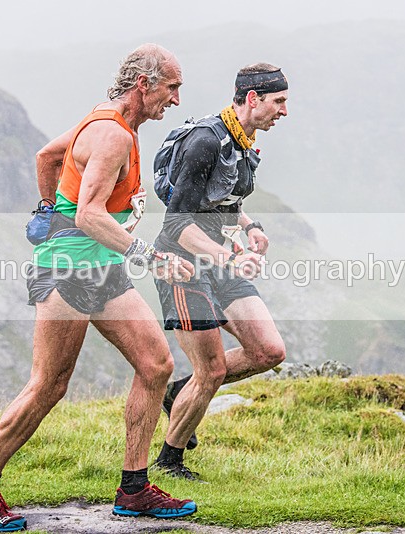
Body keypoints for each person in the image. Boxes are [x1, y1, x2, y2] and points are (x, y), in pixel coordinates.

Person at [0, 43, 197, 532]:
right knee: (49, 384)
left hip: (102, 268)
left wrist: (46, 210)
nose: (175, 99)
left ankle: (134, 489)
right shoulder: (111, 135)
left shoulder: (111, 122)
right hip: (68, 272)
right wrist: (150, 257)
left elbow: (47, 156)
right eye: (172, 88)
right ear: (144, 84)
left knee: (156, 364)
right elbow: (88, 215)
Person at [152, 63, 289, 480]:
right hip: (182, 265)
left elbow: (223, 195)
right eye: (279, 102)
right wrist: (227, 258)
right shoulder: (205, 141)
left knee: (268, 351)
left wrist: (250, 227)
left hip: (218, 260)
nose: (284, 111)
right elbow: (177, 222)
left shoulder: (241, 139)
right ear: (253, 99)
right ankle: (170, 461)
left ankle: (180, 391)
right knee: (210, 370)